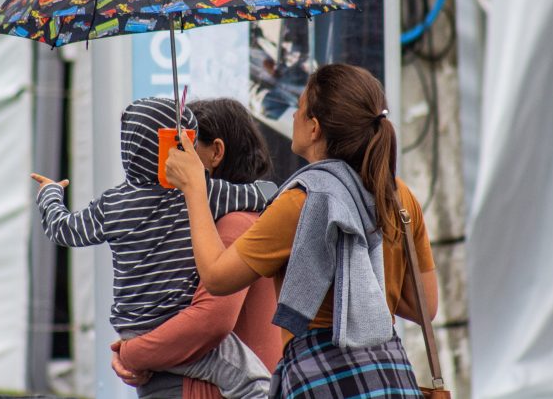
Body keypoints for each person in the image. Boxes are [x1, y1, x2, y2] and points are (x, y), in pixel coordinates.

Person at [165, 64, 437, 398]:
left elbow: (217, 278)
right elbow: (425, 305)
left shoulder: (302, 202)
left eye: (300, 106)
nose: (293, 114)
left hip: (321, 379)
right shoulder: (398, 194)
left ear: (314, 128)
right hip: (389, 378)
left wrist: (194, 185)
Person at [30, 97, 272, 399]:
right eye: (182, 144)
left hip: (133, 329)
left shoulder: (111, 204)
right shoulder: (201, 196)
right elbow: (263, 194)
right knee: (257, 385)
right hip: (173, 332)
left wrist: (50, 195)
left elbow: (63, 229)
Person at [110, 98, 284, 398]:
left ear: (216, 152)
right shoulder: (224, 222)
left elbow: (210, 320)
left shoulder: (235, 223)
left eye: (184, 146)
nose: (166, 160)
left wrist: (131, 352)